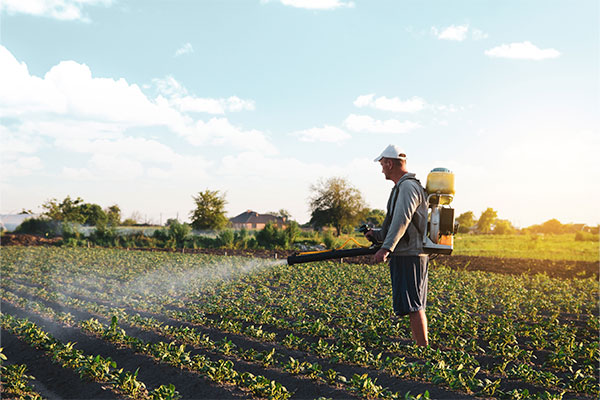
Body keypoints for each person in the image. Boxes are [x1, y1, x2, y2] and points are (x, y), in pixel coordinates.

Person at [364, 144, 429, 346]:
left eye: (382, 164)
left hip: (410, 254)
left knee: (414, 304)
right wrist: (376, 235)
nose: (381, 168)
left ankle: (423, 350)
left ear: (390, 163)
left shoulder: (408, 187)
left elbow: (403, 219)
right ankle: (422, 347)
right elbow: (392, 223)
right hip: (405, 253)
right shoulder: (400, 188)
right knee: (412, 304)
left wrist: (386, 248)